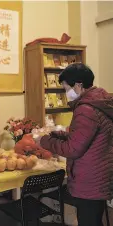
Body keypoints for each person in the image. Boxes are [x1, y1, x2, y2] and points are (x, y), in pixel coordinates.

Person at [37, 63, 113, 226]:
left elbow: (73, 149)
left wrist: (44, 141)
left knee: (89, 220)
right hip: (99, 175)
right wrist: (59, 135)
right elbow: (86, 138)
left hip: (89, 180)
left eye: (66, 88)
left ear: (78, 85)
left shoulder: (86, 109)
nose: (66, 93)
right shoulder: (100, 102)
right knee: (93, 218)